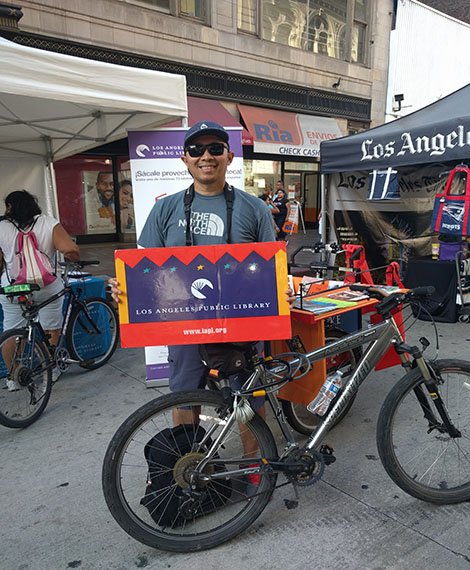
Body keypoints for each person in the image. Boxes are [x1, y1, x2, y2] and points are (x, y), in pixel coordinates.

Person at [110, 121, 295, 465]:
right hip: (183, 323)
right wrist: (123, 288)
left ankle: (256, 467)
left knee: (248, 399)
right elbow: (145, 269)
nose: (205, 156)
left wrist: (283, 288)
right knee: (184, 397)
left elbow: (272, 265)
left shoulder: (254, 208)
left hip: (242, 322)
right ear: (184, 158)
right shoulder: (165, 209)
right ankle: (191, 468)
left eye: (214, 149)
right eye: (196, 150)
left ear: (229, 155)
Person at [0, 190, 80, 386]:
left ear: (10, 207)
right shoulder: (48, 222)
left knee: (11, 330)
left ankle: (14, 378)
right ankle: (51, 369)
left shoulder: (1, 226)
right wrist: (72, 259)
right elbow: (70, 250)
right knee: (50, 326)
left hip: (13, 288)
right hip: (45, 286)